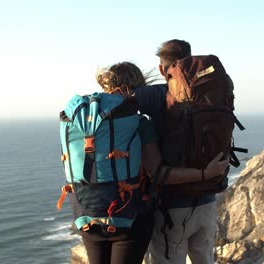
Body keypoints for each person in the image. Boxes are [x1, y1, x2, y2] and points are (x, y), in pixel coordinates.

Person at [72, 61, 229, 264]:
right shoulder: (140, 124)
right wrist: (204, 174)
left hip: (89, 215)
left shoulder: (83, 125)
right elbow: (157, 172)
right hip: (128, 218)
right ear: (136, 88)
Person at [133, 39, 221, 264]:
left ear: (162, 69)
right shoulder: (210, 92)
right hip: (208, 201)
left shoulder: (156, 95)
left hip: (173, 206)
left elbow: (115, 102)